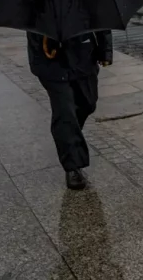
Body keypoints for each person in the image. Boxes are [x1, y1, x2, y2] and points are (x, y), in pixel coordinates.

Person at [27, 30, 113, 190]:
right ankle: (73, 166)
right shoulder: (35, 4)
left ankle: (67, 134)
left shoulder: (88, 2)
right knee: (65, 111)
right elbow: (30, 22)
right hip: (50, 61)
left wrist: (105, 50)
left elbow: (102, 17)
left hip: (84, 56)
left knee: (88, 104)